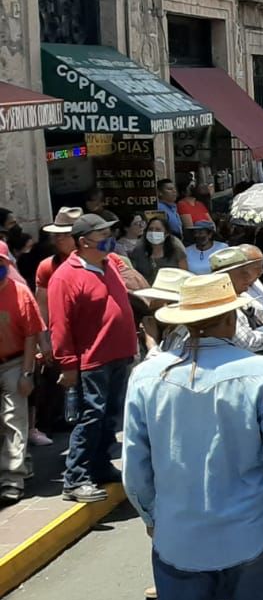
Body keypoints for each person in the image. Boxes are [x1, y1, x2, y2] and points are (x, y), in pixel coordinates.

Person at [123, 273, 263, 600]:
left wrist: (151, 516)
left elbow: (134, 469)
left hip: (178, 535)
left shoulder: (146, 377)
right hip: (252, 529)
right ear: (230, 317)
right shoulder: (262, 373)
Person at [49, 213, 138, 503]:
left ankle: (99, 466)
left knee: (109, 416)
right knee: (91, 418)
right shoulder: (65, 276)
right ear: (85, 241)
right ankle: (76, 479)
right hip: (93, 360)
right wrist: (67, 365)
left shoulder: (109, 264)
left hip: (118, 355)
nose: (109, 240)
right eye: (103, 236)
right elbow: (60, 326)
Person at [0, 242, 42, 505]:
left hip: (15, 362)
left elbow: (31, 336)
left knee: (13, 418)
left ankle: (11, 479)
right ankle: (21, 462)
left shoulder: (20, 293)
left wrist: (27, 373)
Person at [131, 215, 184, 283]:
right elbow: (133, 275)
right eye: (150, 229)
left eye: (158, 230)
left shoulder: (177, 250)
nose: (153, 232)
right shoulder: (138, 250)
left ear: (166, 233)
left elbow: (184, 274)